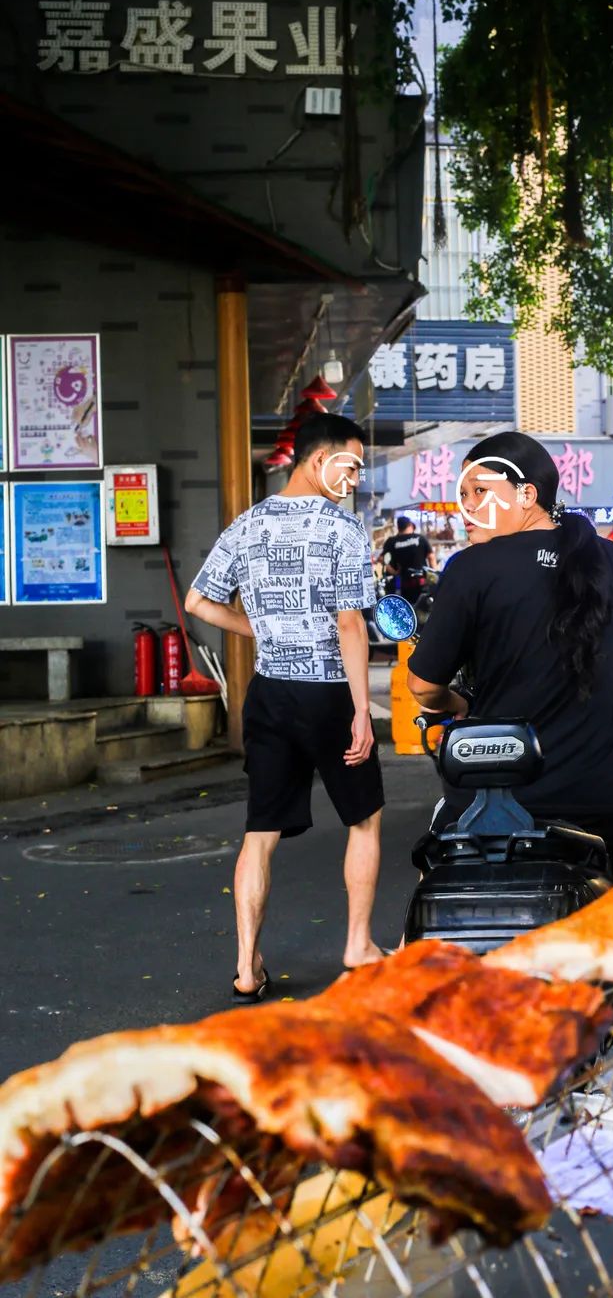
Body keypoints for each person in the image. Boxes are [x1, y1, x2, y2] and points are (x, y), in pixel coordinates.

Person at [405, 431, 613, 879]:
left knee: (435, 894)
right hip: (607, 806)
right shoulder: (610, 560)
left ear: (527, 495)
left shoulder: (470, 569)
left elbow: (424, 687)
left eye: (480, 491)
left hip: (496, 805)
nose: (467, 507)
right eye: (463, 495)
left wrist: (457, 703)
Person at [186, 413, 385, 1001]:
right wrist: (361, 710)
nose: (354, 477)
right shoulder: (343, 528)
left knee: (260, 831)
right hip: (328, 692)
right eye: (350, 464)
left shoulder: (247, 524)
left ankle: (246, 966)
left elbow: (199, 602)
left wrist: (266, 631)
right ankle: (357, 944)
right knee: (364, 819)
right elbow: (350, 624)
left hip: (270, 693)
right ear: (320, 460)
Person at [383, 516, 437, 603]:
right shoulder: (420, 538)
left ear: (398, 528)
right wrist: (434, 577)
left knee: (406, 607)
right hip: (421, 582)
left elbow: (382, 559)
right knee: (423, 607)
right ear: (410, 525)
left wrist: (394, 572)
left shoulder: (392, 541)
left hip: (402, 584)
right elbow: (431, 557)